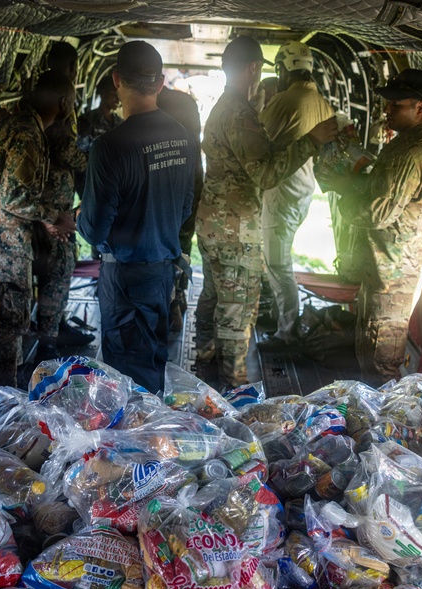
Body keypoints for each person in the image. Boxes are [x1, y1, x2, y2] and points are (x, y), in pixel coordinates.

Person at [194, 36, 337, 389]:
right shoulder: (241, 115)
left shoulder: (223, 107)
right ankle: (232, 386)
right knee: (237, 309)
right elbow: (267, 173)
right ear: (254, 69)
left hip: (213, 222)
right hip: (235, 228)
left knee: (213, 296)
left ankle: (204, 356)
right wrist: (311, 141)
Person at [77, 41, 196, 393]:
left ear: (116, 80)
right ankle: (152, 436)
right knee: (153, 364)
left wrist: (80, 215)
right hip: (162, 273)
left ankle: (131, 444)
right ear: (159, 83)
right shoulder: (183, 138)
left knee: (123, 377)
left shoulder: (110, 146)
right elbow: (186, 206)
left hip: (125, 277)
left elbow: (96, 228)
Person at [0, 71, 76, 387]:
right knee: (12, 318)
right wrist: (53, 216)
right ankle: (5, 392)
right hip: (2, 239)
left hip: (0, 235)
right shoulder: (27, 134)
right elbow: (12, 196)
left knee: (14, 316)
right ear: (64, 102)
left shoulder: (21, 126)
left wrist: (45, 219)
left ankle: (9, 386)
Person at [340, 68, 422, 380]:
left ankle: (383, 422)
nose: (387, 110)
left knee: (383, 361)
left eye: (396, 105)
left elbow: (378, 213)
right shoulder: (405, 143)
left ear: (421, 107)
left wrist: (343, 198)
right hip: (385, 262)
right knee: (370, 346)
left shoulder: (412, 151)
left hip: (394, 268)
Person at [256, 41, 334, 350]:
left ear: (283, 70)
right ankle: (279, 317)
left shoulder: (286, 101)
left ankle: (287, 332)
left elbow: (258, 138)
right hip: (302, 191)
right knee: (279, 260)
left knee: (278, 265)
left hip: (280, 193)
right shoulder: (322, 102)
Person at [33, 41, 94, 359]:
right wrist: (96, 156)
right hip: (50, 203)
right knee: (58, 267)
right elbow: (66, 150)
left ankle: (55, 325)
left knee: (63, 263)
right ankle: (49, 337)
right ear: (70, 67)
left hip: (55, 198)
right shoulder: (54, 103)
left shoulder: (52, 96)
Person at [156, 84, 203, 330]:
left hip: (163, 194)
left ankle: (166, 301)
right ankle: (179, 294)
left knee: (160, 248)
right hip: (189, 190)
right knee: (182, 244)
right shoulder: (187, 105)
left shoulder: (155, 110)